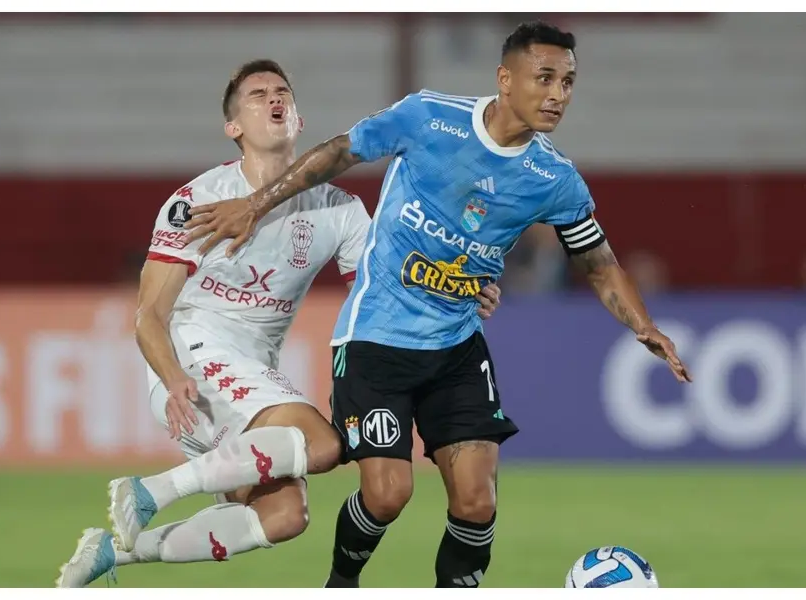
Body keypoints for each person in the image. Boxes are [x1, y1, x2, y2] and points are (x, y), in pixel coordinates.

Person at [181, 22, 693, 588]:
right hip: (376, 341)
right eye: (544, 78)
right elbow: (339, 152)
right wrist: (256, 203)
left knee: (476, 501)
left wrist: (643, 326)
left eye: (568, 82)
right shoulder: (430, 117)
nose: (557, 95)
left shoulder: (554, 178)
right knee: (387, 494)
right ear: (505, 78)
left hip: (455, 347)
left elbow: (598, 264)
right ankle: (340, 584)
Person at [54, 59, 502, 588]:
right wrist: (173, 376)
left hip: (253, 370)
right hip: (196, 354)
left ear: (299, 119)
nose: (275, 99)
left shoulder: (337, 208)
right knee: (325, 443)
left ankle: (113, 553)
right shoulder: (197, 200)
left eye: (283, 92)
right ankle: (151, 490)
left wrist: (460, 286)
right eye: (258, 94)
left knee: (285, 517)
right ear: (234, 127)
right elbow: (149, 313)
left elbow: (393, 282)